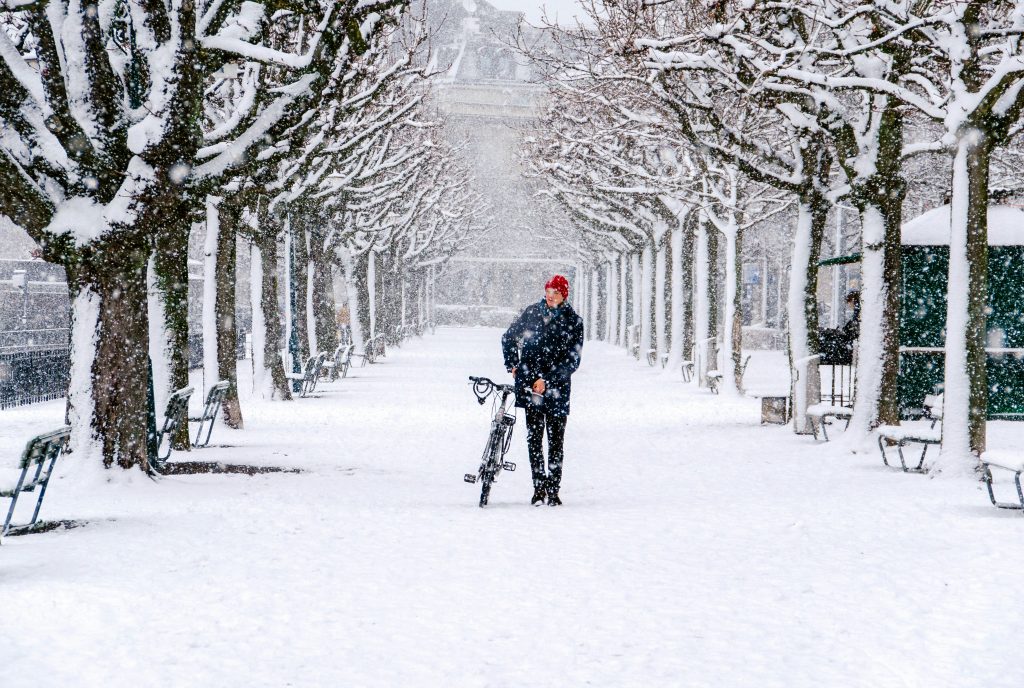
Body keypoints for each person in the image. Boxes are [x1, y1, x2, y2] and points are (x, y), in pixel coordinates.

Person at [501, 275, 584, 506]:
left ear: (564, 295)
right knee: (534, 440)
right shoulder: (531, 313)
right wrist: (513, 365)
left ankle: (553, 490)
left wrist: (547, 380)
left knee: (556, 441)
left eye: (556, 292)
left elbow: (572, 360)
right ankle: (538, 488)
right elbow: (508, 338)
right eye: (548, 290)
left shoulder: (574, 322)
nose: (550, 295)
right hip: (530, 388)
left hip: (557, 390)